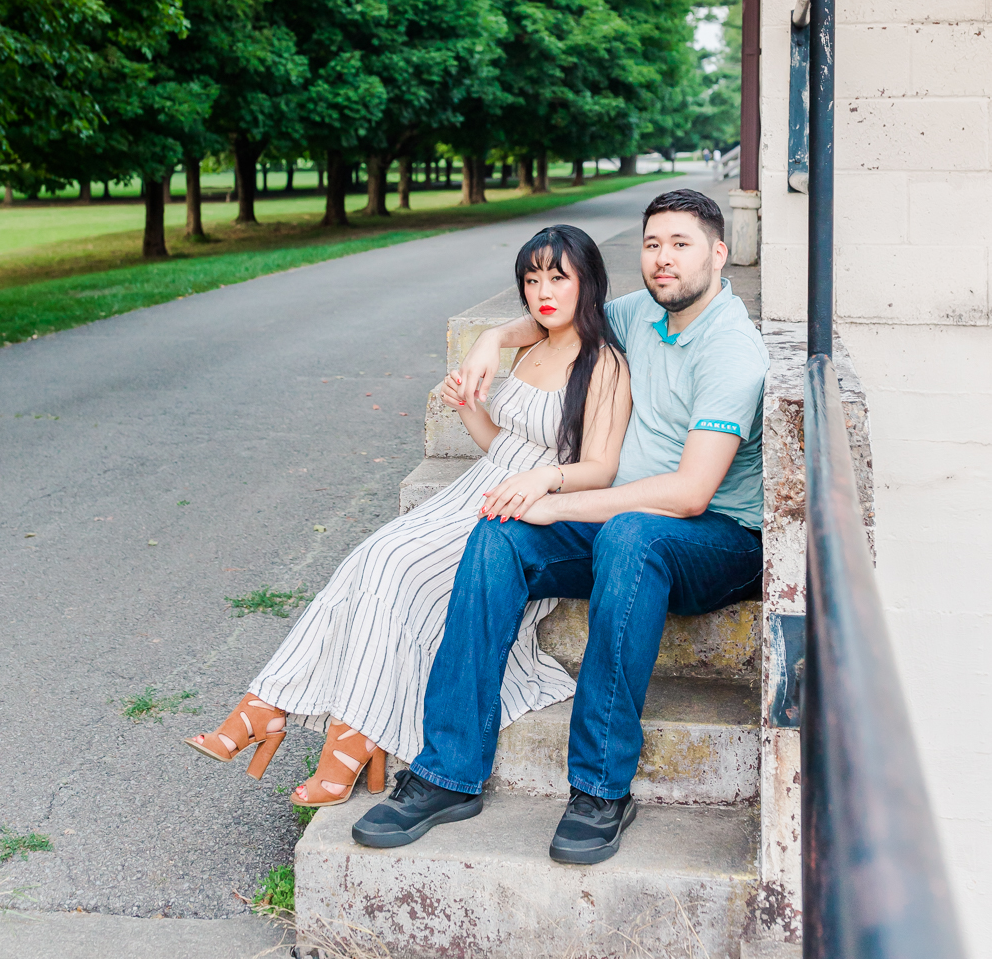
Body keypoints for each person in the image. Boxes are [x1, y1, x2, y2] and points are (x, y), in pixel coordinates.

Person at [352, 189, 767, 865]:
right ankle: (446, 773)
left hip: (713, 541)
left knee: (631, 534)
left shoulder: (729, 352)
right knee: (500, 529)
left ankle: (601, 788)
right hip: (621, 525)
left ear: (718, 253)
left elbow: (691, 494)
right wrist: (490, 339)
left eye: (681, 244)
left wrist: (554, 491)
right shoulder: (642, 314)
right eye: (653, 244)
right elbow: (556, 317)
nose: (663, 259)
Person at [184, 224, 631, 807]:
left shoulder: (605, 365)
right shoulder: (532, 344)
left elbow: (599, 467)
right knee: (370, 558)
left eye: (558, 277)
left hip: (529, 509)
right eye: (531, 278)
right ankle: (313, 725)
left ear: (587, 281)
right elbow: (502, 444)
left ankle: (287, 717)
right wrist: (468, 405)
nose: (543, 291)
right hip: (478, 487)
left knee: (394, 566)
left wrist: (545, 478)